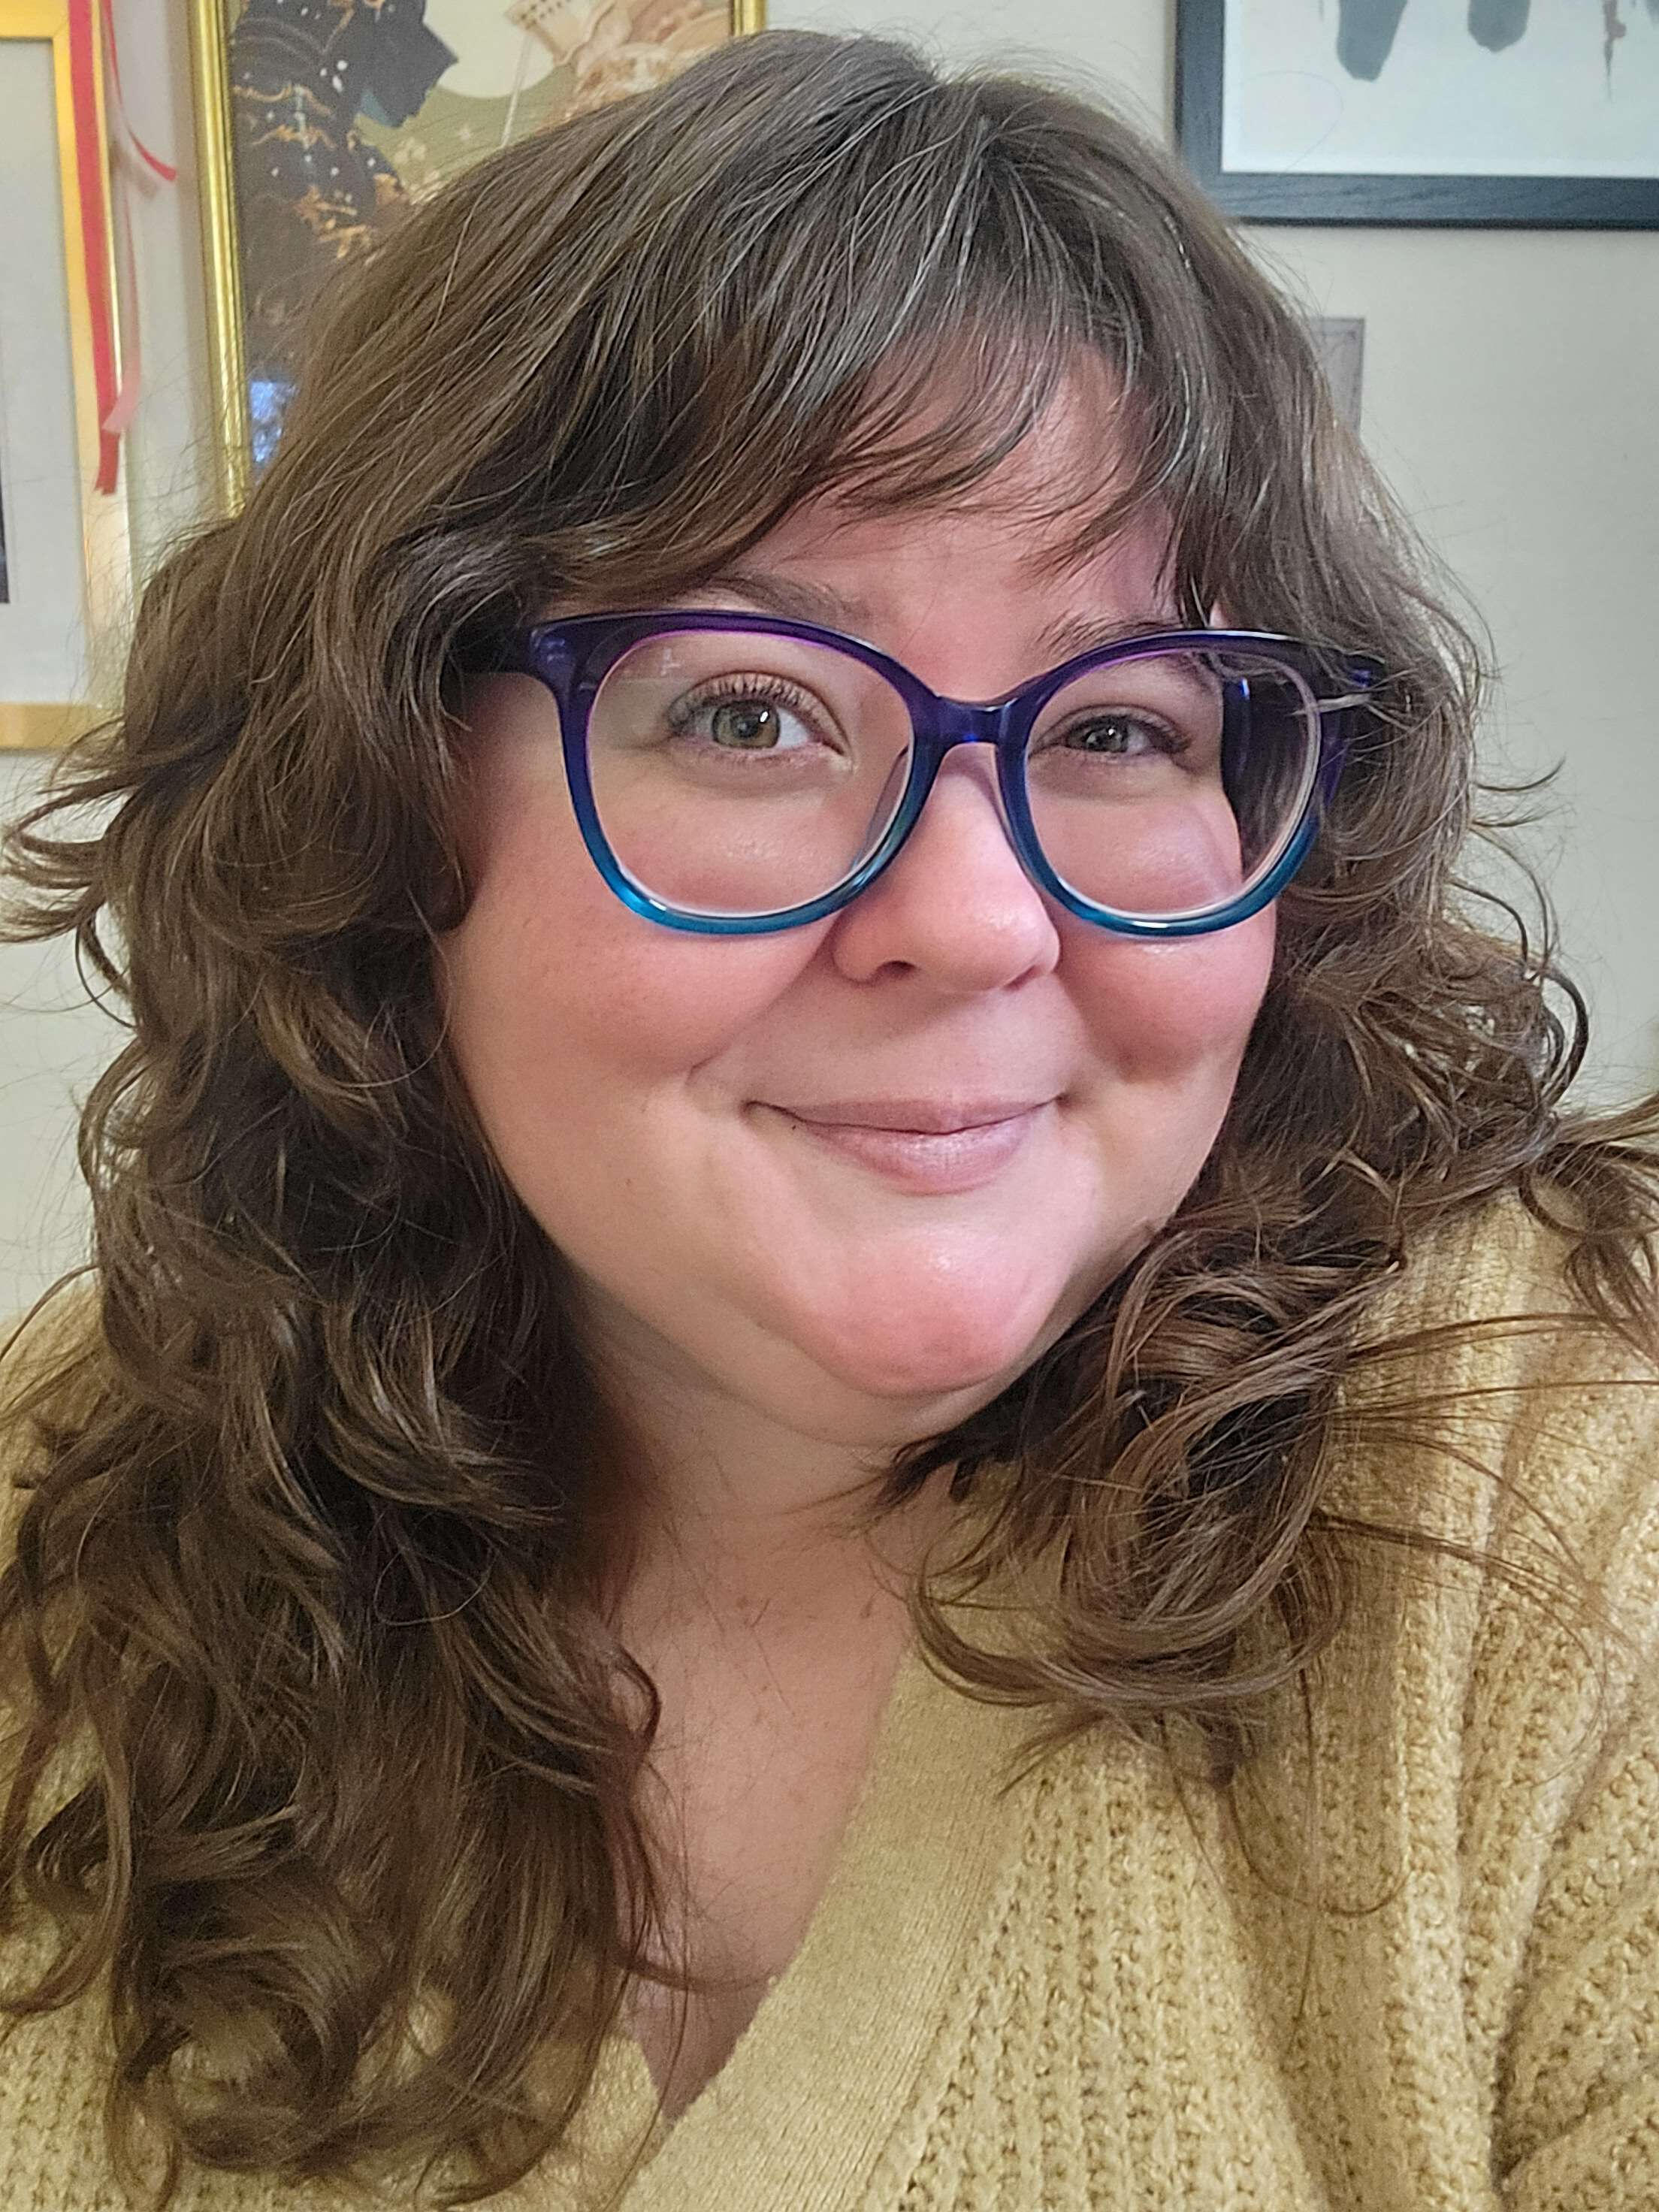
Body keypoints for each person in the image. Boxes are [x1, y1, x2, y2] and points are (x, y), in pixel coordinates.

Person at [1, 27, 1655, 2212]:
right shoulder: (82, 1496)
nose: (974, 923)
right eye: (753, 709)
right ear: (378, 796)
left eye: (1130, 726)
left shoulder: (1569, 1505)